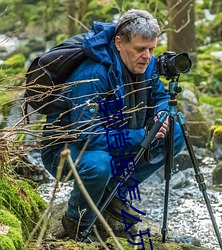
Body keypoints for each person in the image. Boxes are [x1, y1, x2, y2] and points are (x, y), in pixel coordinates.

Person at [41, 9, 185, 241]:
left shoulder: (146, 64)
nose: (147, 56)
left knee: (175, 133)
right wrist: (141, 135)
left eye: (152, 49)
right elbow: (87, 135)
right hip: (67, 149)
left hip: (117, 136)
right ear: (119, 43)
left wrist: (161, 114)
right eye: (140, 49)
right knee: (99, 165)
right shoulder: (92, 75)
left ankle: (113, 193)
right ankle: (76, 222)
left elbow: (159, 96)